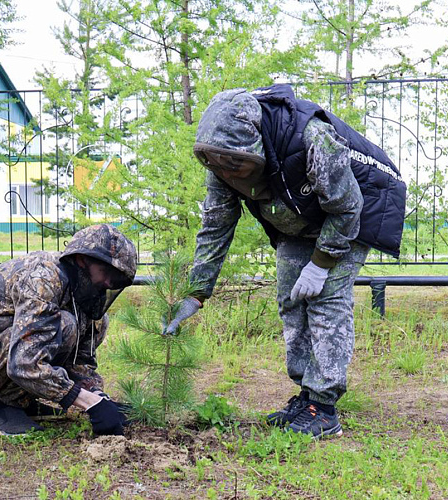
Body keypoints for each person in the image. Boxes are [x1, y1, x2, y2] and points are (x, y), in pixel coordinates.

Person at [164, 84, 406, 438]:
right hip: (300, 214)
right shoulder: (221, 159)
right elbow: (215, 226)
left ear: (257, 144)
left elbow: (347, 207)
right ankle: (306, 396)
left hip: (355, 209)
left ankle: (324, 408)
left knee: (325, 300)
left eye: (237, 166)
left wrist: (321, 263)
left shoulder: (312, 139)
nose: (230, 174)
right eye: (222, 167)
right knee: (291, 299)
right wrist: (196, 292)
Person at [0, 224, 137, 437]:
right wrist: (86, 402)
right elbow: (26, 362)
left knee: (85, 322)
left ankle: (22, 401)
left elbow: (79, 364)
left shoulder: (84, 295)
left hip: (0, 349)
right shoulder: (42, 278)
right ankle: (5, 410)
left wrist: (99, 398)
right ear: (82, 260)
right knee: (64, 325)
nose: (109, 282)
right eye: (106, 272)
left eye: (116, 278)